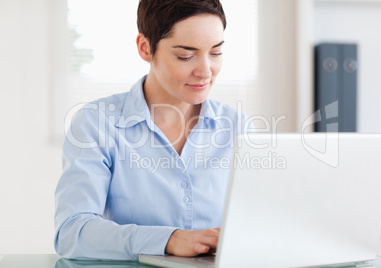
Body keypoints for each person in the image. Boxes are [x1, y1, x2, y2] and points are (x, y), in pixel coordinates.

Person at [54, 0, 251, 260]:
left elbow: (259, 225)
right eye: (186, 56)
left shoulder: (240, 128)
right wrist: (167, 240)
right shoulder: (96, 124)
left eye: (215, 53)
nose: (205, 71)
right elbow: (71, 233)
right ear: (146, 48)